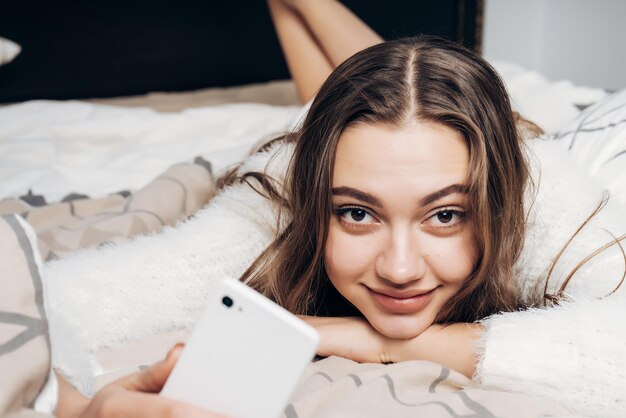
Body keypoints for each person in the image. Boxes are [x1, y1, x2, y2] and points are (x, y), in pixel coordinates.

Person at [26, 0, 626, 416]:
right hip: (314, 151)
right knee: (365, 101)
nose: (398, 269)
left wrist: (369, 339)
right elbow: (61, 305)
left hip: (581, 137)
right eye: (357, 214)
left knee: (403, 99)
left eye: (445, 215)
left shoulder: (544, 193)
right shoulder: (277, 194)